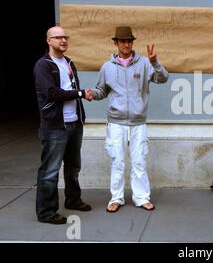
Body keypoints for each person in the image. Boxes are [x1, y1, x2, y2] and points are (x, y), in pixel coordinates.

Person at [89, 26, 169, 213]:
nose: (126, 44)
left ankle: (141, 198)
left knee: (139, 161)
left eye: (129, 41)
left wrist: (155, 62)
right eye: (122, 41)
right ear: (115, 43)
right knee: (117, 161)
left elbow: (163, 78)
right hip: (116, 122)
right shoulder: (107, 67)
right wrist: (92, 93)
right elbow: (101, 90)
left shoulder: (144, 63)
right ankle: (116, 198)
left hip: (138, 122)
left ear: (132, 42)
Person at [34, 26, 92, 225]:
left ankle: (73, 200)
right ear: (48, 40)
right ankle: (46, 213)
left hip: (74, 123)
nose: (63, 40)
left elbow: (70, 87)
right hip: (54, 127)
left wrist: (79, 97)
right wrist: (81, 93)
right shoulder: (43, 65)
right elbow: (52, 92)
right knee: (50, 171)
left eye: (65, 37)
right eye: (58, 37)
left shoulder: (68, 62)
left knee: (73, 167)